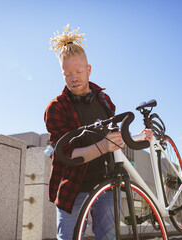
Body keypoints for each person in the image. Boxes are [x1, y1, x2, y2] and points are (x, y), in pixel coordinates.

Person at [44, 24, 152, 239]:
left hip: (106, 185)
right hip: (72, 188)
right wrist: (102, 146)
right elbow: (66, 155)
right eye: (67, 74)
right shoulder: (56, 108)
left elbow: (116, 140)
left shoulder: (105, 100)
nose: (73, 78)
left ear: (89, 69)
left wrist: (140, 137)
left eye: (78, 71)